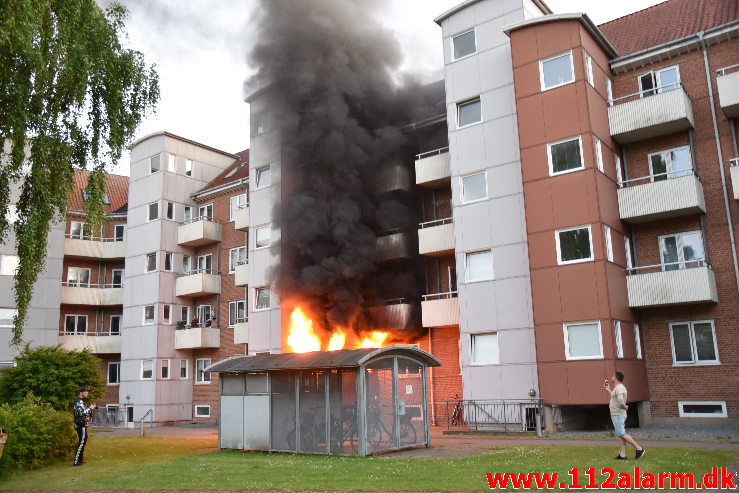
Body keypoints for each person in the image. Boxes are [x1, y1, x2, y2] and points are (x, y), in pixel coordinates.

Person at [604, 372, 644, 460]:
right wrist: (608, 390)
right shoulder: (618, 388)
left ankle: (639, 448)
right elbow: (616, 398)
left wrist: (624, 407)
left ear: (615, 378)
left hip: (618, 414)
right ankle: (623, 455)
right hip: (616, 414)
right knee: (620, 434)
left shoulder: (619, 388)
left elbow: (621, 401)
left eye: (613, 376)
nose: (611, 377)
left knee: (621, 433)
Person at [73, 386, 96, 466]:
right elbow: (82, 413)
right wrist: (90, 408)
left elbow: (85, 410)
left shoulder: (81, 401)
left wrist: (93, 408)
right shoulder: (78, 401)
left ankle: (80, 460)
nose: (87, 393)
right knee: (82, 441)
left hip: (83, 424)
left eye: (87, 391)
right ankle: (76, 461)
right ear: (81, 393)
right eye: (85, 391)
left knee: (83, 440)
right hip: (80, 424)